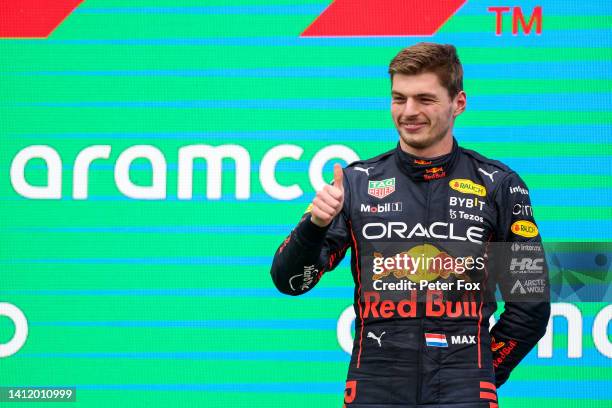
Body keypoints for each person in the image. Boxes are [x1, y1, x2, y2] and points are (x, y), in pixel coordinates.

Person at [270, 42, 550, 407]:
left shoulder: (499, 185)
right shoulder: (355, 184)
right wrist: (315, 226)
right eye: (399, 98)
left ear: (458, 103)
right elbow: (290, 282)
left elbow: (531, 307)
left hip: (464, 391)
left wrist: (477, 374)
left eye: (425, 99)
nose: (409, 111)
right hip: (374, 387)